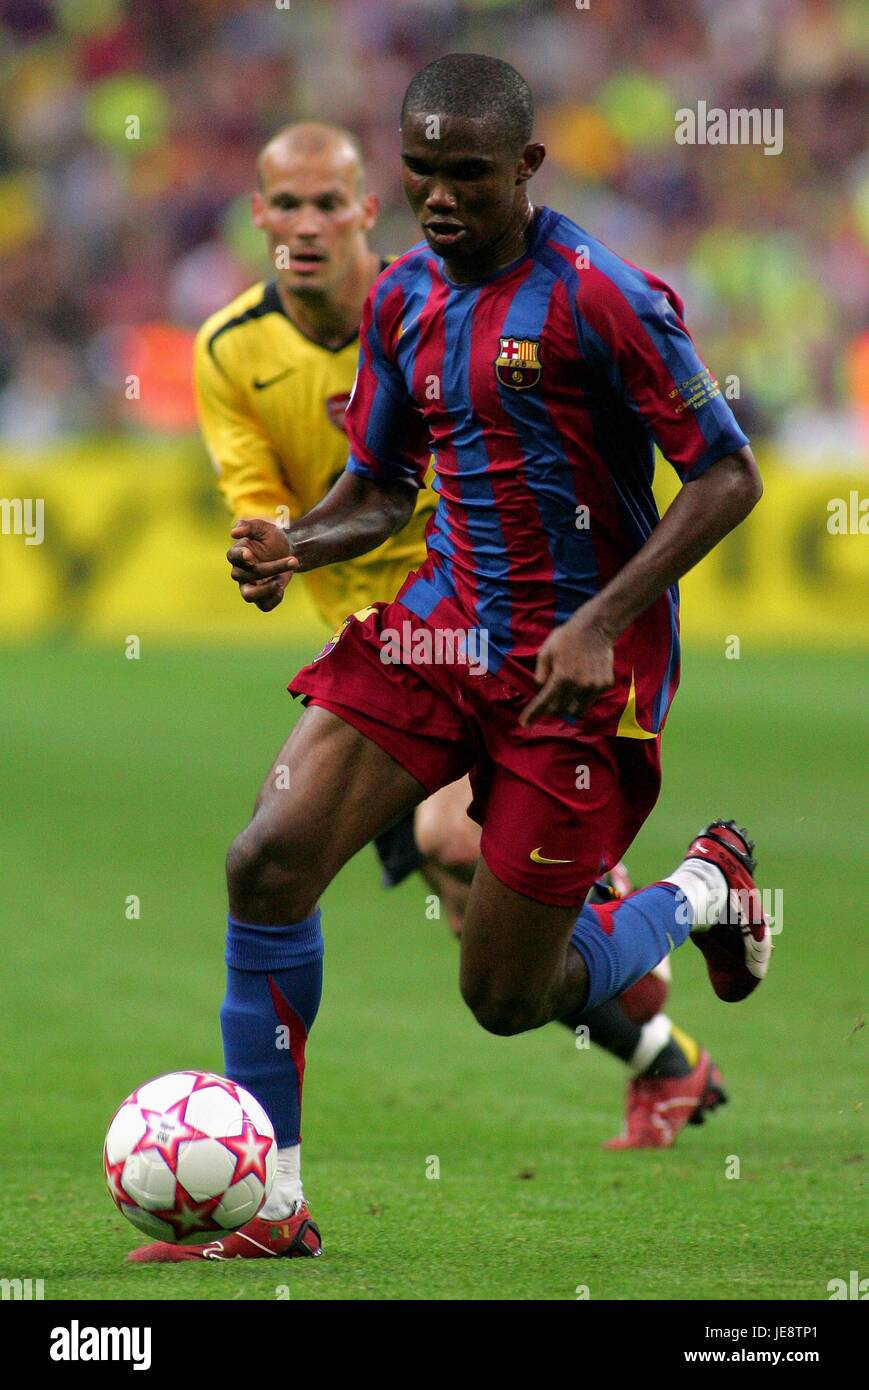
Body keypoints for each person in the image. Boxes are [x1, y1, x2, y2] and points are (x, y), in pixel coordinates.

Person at [129, 56, 771, 1264]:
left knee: (504, 1000)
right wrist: (292, 542)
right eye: (418, 172)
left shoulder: (607, 296)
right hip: (437, 633)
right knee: (265, 861)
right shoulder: (404, 298)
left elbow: (727, 475)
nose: (436, 197)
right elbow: (379, 487)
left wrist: (599, 620)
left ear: (525, 167)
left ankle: (700, 890)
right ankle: (269, 1205)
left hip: (575, 676)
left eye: (465, 174)